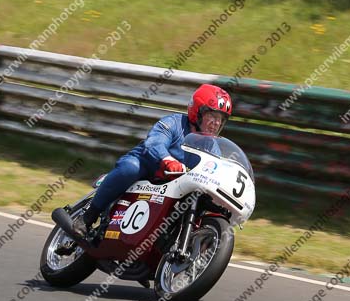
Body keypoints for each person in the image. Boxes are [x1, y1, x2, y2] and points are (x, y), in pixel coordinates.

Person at [67, 84, 233, 238]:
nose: (216, 123)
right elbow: (154, 142)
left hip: (171, 188)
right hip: (146, 167)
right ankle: (88, 216)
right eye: (212, 115)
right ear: (197, 111)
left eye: (221, 119)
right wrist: (167, 160)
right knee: (130, 168)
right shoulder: (173, 123)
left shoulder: (212, 148)